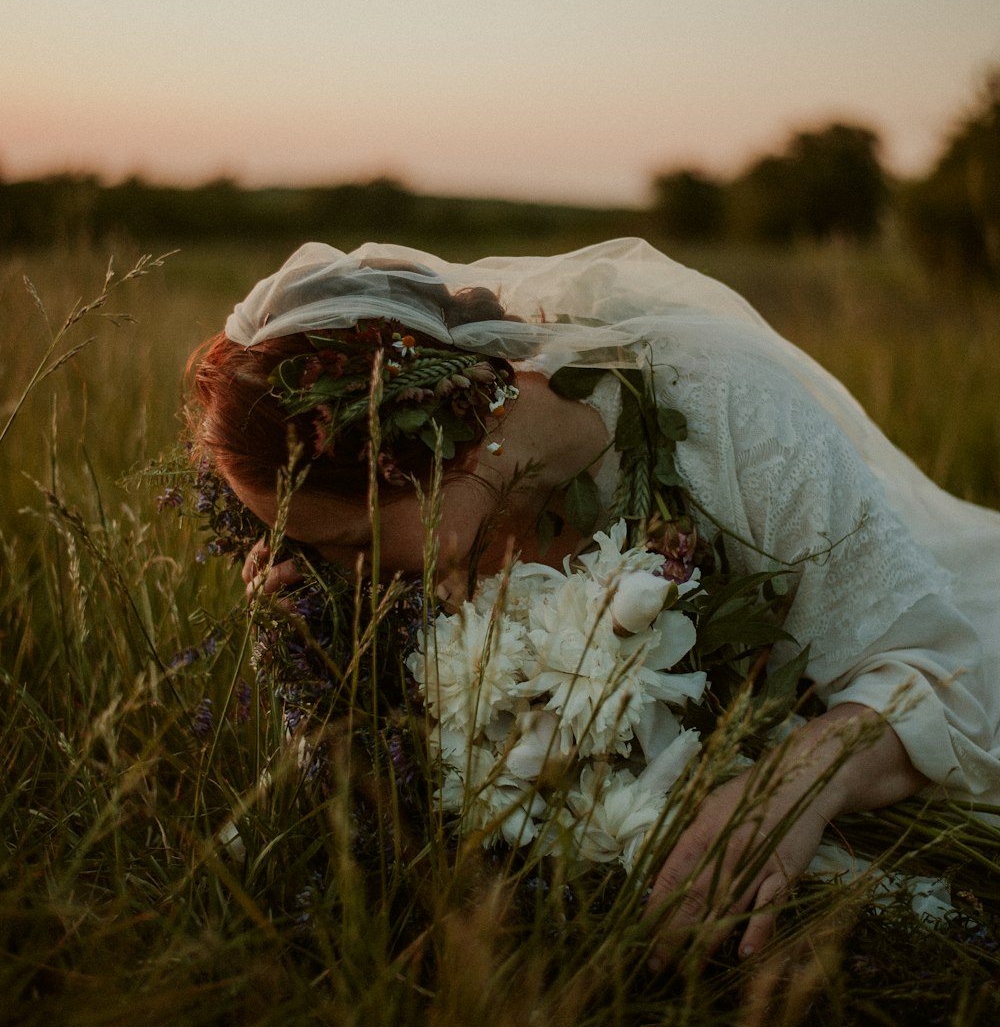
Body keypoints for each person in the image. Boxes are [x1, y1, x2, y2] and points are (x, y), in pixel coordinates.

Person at [191, 237, 1000, 960]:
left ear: (438, 441)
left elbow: (941, 676)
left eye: (354, 543)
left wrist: (792, 783)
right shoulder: (404, 558)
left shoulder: (730, 414)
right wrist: (311, 641)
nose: (350, 574)